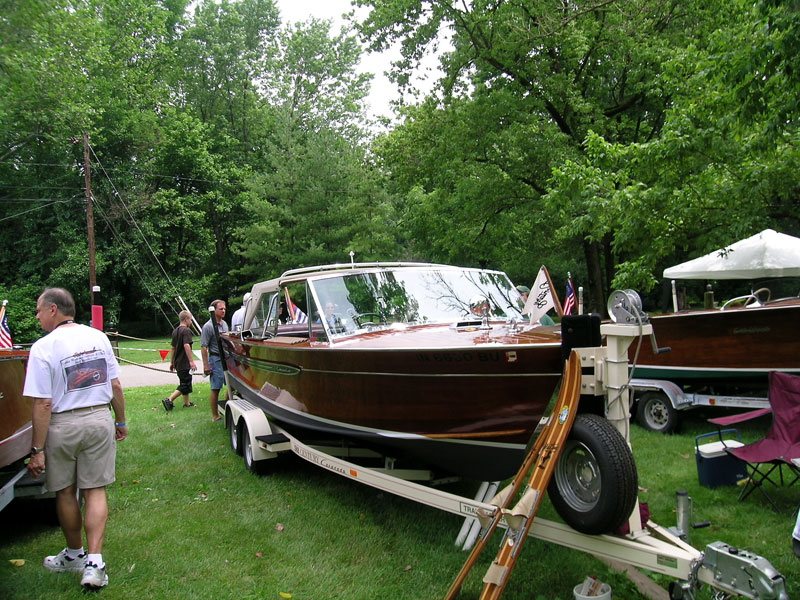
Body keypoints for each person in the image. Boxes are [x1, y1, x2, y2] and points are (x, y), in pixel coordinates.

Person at [24, 288, 127, 590]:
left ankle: (74, 555)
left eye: (38, 309)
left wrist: (36, 450)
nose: (36, 315)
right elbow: (116, 384)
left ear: (53, 310)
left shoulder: (43, 347)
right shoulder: (98, 338)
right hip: (98, 419)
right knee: (95, 490)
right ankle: (95, 563)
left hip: (63, 425)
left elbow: (42, 403)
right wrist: (120, 421)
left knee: (66, 492)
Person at [162, 310, 197, 411]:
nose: (191, 321)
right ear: (186, 319)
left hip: (178, 362)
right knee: (185, 384)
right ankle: (169, 399)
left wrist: (172, 362)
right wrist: (191, 361)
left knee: (185, 381)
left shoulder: (175, 331)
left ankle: (186, 403)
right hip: (184, 362)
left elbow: (173, 348)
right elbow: (186, 345)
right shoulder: (186, 331)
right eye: (190, 319)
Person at [201, 299, 228, 422]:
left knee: (230, 385)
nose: (223, 311)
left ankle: (228, 410)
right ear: (214, 310)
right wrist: (206, 365)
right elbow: (203, 347)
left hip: (226, 358)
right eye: (220, 309)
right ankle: (215, 415)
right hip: (215, 358)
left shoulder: (225, 324)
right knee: (215, 387)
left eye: (224, 309)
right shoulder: (208, 326)